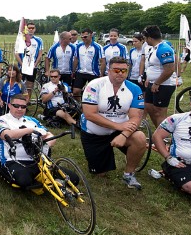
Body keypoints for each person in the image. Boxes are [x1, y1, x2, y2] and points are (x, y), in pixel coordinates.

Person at [79, 56, 148, 189]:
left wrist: (124, 134)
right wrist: (118, 126)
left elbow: (136, 117)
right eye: (116, 70)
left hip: (120, 129)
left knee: (139, 138)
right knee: (100, 174)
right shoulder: (94, 85)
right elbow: (90, 114)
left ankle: (129, 174)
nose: (121, 74)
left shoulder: (134, 89)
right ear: (108, 71)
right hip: (95, 133)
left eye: (124, 71)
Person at [0, 93, 55, 189]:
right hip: (13, 160)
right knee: (24, 181)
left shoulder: (32, 120)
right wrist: (30, 130)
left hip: (37, 160)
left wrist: (45, 146)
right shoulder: (0, 120)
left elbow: (50, 135)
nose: (19, 109)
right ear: (9, 105)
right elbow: (7, 135)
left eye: (23, 106)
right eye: (16, 106)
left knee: (73, 178)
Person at [140, 25, 177, 128]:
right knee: (148, 106)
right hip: (153, 83)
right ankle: (159, 131)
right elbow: (152, 65)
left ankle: (163, 136)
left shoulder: (164, 48)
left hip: (164, 84)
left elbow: (169, 69)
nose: (145, 41)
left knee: (159, 111)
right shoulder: (154, 48)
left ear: (150, 38)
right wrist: (149, 79)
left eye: (145, 38)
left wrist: (157, 83)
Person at [72, 28, 104, 100]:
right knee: (76, 92)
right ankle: (79, 107)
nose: (83, 38)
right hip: (81, 72)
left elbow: (102, 61)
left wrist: (101, 74)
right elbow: (76, 59)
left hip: (93, 73)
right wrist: (73, 71)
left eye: (85, 37)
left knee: (92, 93)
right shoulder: (78, 46)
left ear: (91, 35)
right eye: (82, 37)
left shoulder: (98, 47)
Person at [17, 23, 44, 95]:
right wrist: (22, 64)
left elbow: (40, 54)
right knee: (19, 85)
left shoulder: (39, 40)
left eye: (33, 28)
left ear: (35, 29)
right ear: (26, 29)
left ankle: (27, 102)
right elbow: (16, 54)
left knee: (30, 86)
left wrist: (35, 64)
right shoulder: (21, 39)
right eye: (29, 28)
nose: (31, 29)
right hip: (22, 66)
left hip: (32, 66)